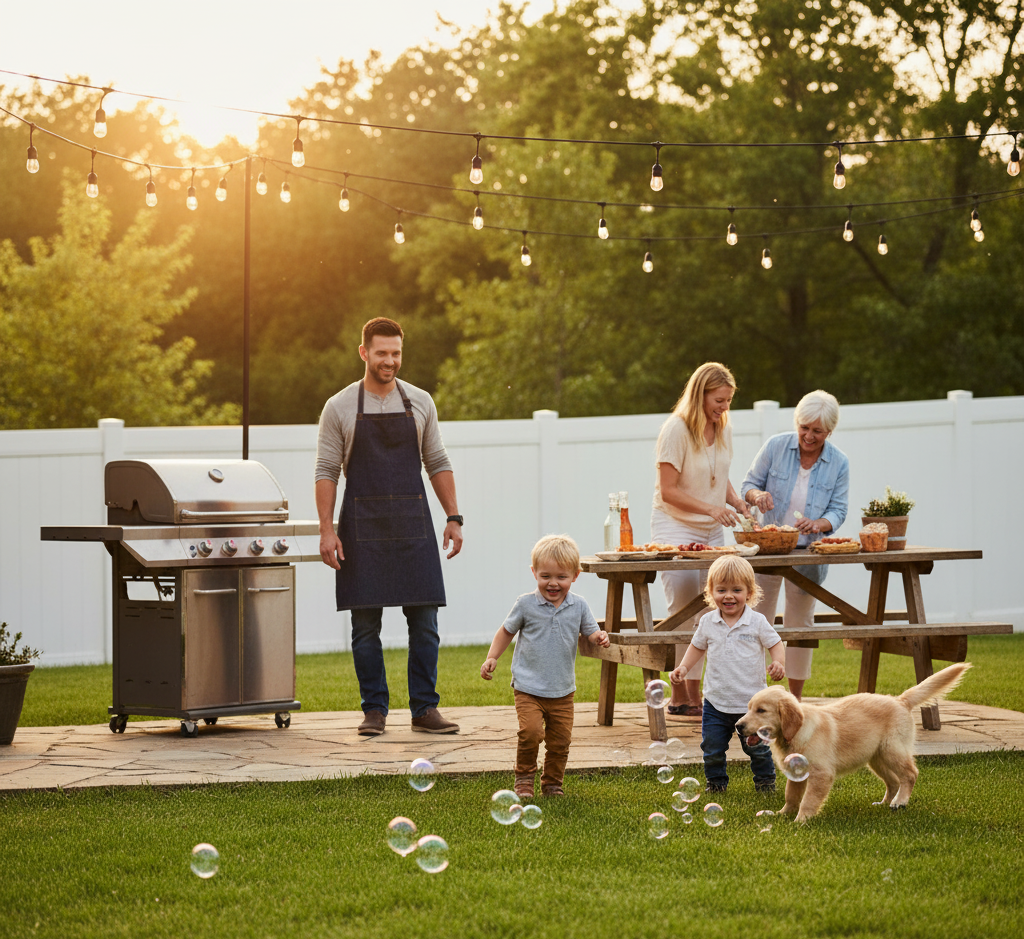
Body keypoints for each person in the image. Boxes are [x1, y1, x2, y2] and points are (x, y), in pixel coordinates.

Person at [315, 316, 465, 737]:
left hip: (414, 525)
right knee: (364, 625)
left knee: (425, 622)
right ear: (364, 352)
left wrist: (453, 516)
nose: (390, 361)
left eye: (396, 352)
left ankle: (424, 709)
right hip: (361, 527)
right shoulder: (339, 406)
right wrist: (328, 530)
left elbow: (436, 462)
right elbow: (327, 470)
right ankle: (374, 711)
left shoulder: (420, 401)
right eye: (381, 352)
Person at [650, 362, 749, 718]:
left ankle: (700, 695)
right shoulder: (676, 430)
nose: (724, 408)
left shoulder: (721, 427)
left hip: (711, 526)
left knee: (711, 607)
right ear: (700, 394)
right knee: (681, 609)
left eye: (728, 401)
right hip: (675, 525)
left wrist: (736, 501)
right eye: (719, 400)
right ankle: (680, 695)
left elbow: (718, 474)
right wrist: (711, 509)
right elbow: (669, 491)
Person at [480, 534, 610, 798]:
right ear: (534, 573)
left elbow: (591, 632)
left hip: (562, 689)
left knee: (560, 742)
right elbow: (506, 631)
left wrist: (599, 637)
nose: (553, 583)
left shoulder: (579, 605)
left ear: (575, 575)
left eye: (561, 577)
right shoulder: (526, 604)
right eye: (545, 576)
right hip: (528, 686)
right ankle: (524, 778)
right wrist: (493, 656)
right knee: (530, 732)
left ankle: (552, 783)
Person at [741, 390, 849, 701]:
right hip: (768, 547)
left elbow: (839, 510)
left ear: (829, 431)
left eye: (817, 431)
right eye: (804, 428)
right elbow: (749, 484)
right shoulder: (776, 446)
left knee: (800, 624)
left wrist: (819, 524)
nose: (809, 436)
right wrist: (756, 497)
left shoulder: (839, 462)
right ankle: (753, 695)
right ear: (797, 423)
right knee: (757, 618)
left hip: (807, 551)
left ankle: (795, 699)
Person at [670, 555, 785, 793]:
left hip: (752, 705)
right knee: (712, 747)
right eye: (721, 590)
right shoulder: (707, 622)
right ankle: (716, 784)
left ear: (750, 593)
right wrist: (683, 667)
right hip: (716, 703)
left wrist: (778, 662)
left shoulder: (757, 621)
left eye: (736, 590)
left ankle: (765, 783)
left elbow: (775, 643)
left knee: (758, 748)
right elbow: (697, 647)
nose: (729, 596)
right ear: (711, 592)